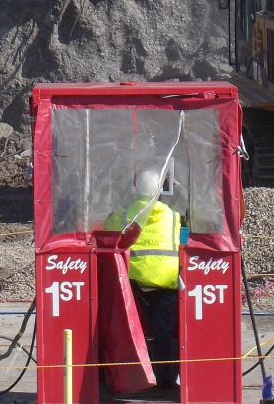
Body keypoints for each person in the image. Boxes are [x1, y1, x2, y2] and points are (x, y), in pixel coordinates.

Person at [105, 169, 181, 394]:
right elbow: (182, 239)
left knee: (128, 331)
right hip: (165, 282)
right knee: (164, 334)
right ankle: (165, 381)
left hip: (133, 283)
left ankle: (134, 380)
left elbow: (106, 234)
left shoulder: (125, 214)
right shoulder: (173, 216)